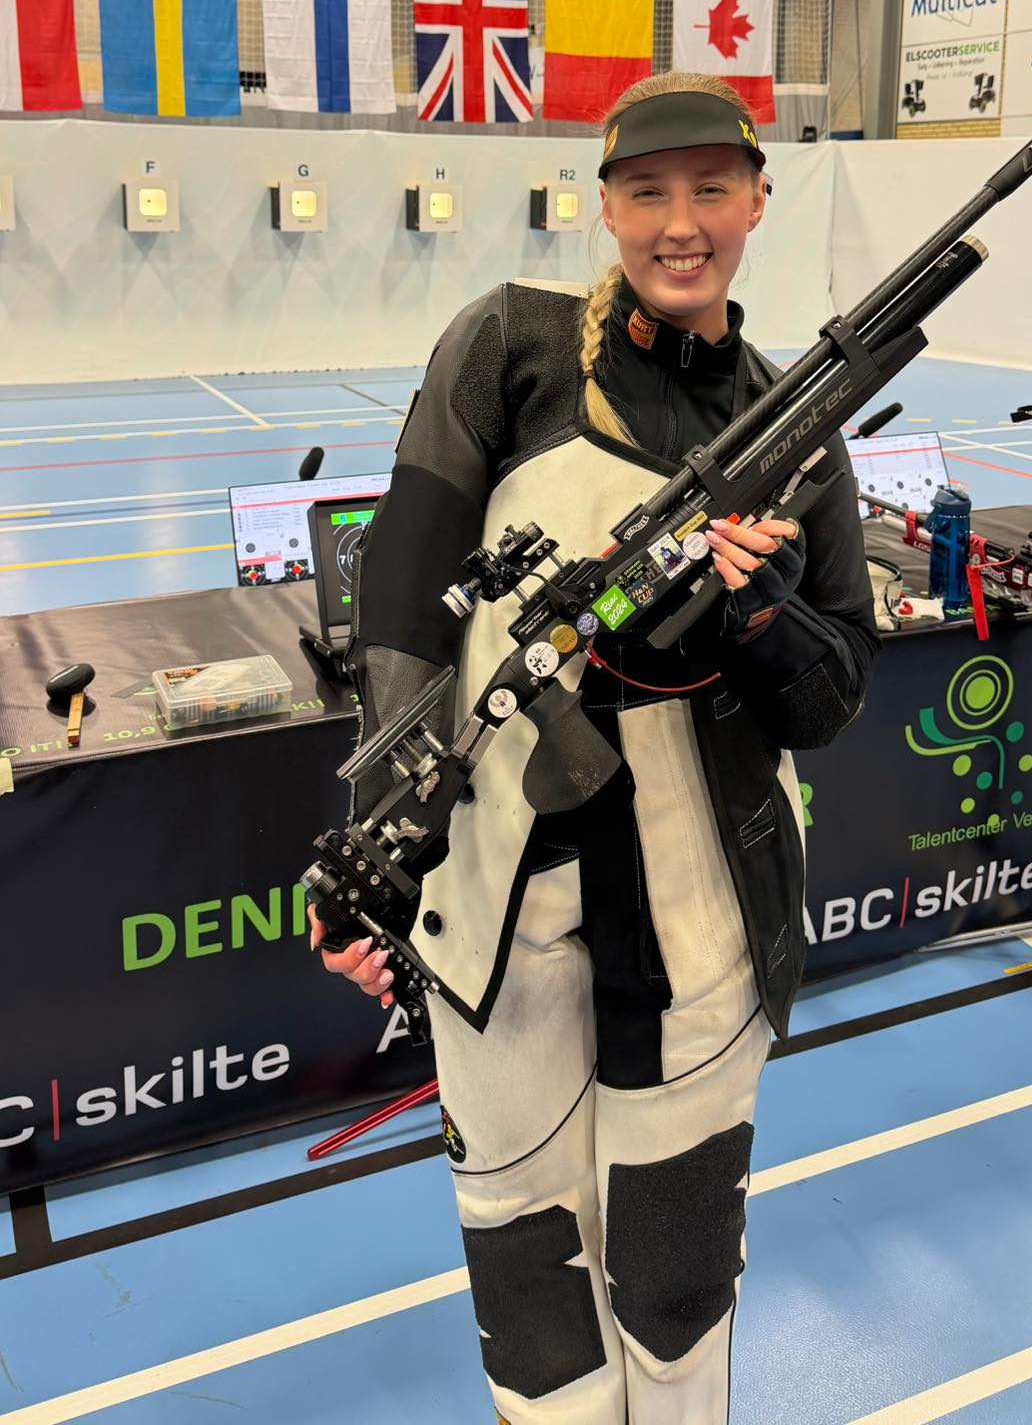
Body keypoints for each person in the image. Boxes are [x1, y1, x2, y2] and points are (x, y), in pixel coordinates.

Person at [308, 72, 879, 1424]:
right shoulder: (507, 347)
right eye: (648, 191)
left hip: (703, 917)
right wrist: (381, 856)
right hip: (497, 898)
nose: (680, 224)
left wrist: (757, 605)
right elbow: (404, 604)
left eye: (711, 190)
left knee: (677, 1278)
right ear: (605, 204)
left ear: (757, 200)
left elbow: (832, 697)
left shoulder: (798, 425)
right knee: (527, 1266)